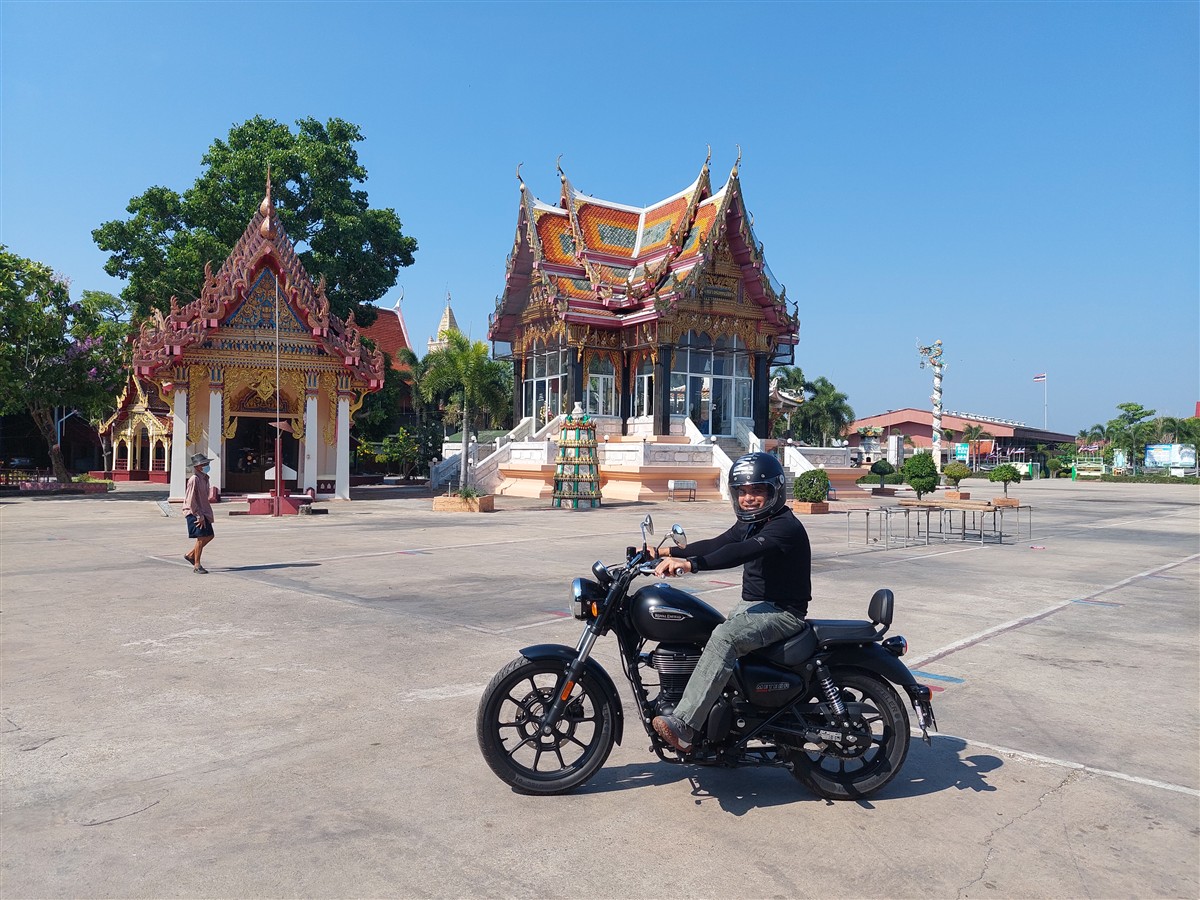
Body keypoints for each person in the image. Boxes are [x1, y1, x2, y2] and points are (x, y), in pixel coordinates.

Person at [649, 452, 812, 753]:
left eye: (757, 491)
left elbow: (738, 553)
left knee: (724, 637)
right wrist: (660, 554)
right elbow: (718, 543)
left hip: (781, 613)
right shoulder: (751, 523)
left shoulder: (783, 526)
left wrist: (692, 565)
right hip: (754, 607)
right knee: (700, 632)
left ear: (775, 492)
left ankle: (684, 725)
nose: (749, 498)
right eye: (743, 491)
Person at [182, 452, 216, 574]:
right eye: (204, 464)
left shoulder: (205, 478)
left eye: (207, 463)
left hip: (203, 511)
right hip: (194, 512)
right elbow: (191, 500)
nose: (206, 465)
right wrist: (198, 515)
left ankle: (191, 555)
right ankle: (197, 565)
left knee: (210, 535)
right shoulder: (194, 479)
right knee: (201, 538)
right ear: (197, 467)